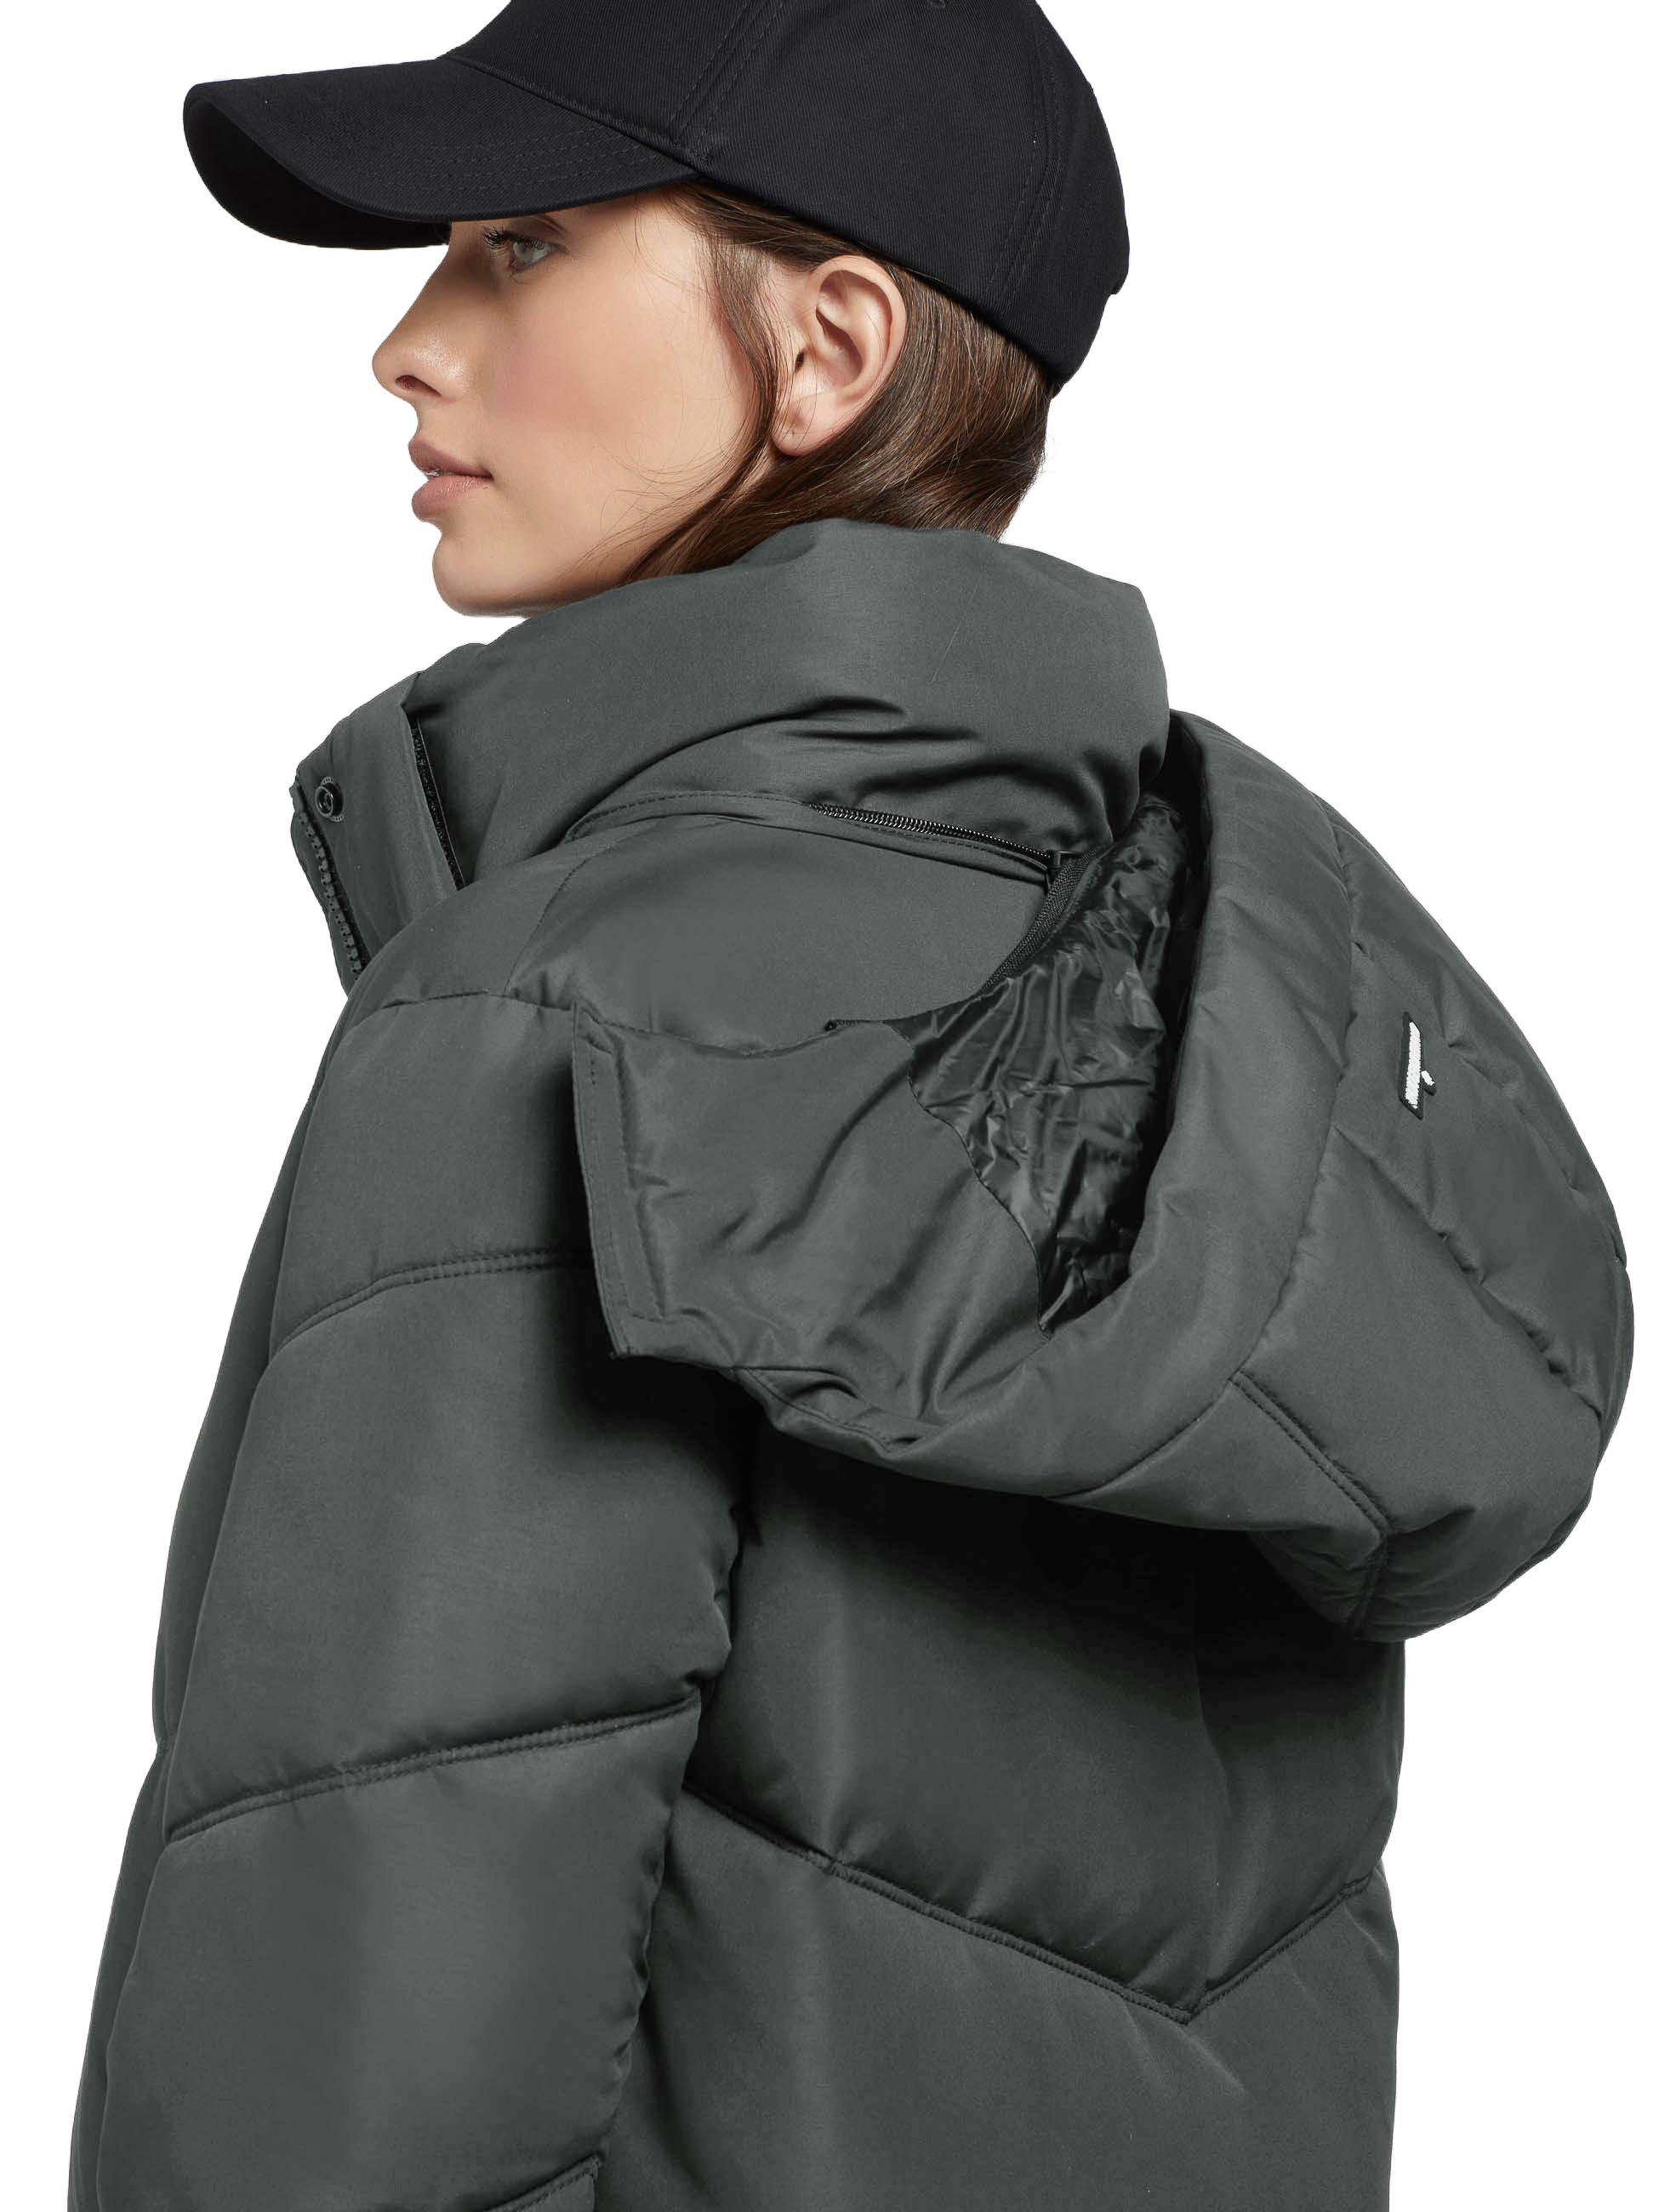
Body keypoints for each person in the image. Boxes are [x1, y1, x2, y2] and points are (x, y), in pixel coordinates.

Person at [69, 4, 1634, 2209]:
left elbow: (361, 1997)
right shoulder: (1246, 1052)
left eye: (519, 248)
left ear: (822, 352)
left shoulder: (555, 1005)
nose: (406, 347)